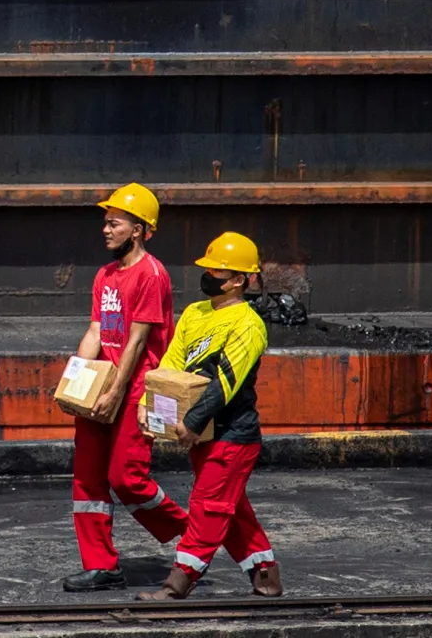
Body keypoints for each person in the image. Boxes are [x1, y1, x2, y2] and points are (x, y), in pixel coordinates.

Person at [59, 182, 190, 593]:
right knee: (88, 481)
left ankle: (192, 532)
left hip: (134, 391)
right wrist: (75, 381)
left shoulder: (151, 275)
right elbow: (97, 330)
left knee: (125, 477)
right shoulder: (106, 275)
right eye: (105, 222)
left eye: (114, 223)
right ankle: (102, 566)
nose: (105, 229)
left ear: (137, 229)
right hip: (104, 384)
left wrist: (116, 392)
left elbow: (136, 342)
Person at [142, 231, 282, 601]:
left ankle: (178, 583)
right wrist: (155, 409)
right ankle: (266, 577)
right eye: (208, 269)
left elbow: (226, 383)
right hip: (204, 435)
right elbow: (171, 367)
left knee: (209, 506)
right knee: (232, 509)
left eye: (219, 271)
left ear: (240, 280)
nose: (209, 276)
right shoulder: (195, 313)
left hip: (233, 435)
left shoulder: (248, 325)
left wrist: (190, 421)